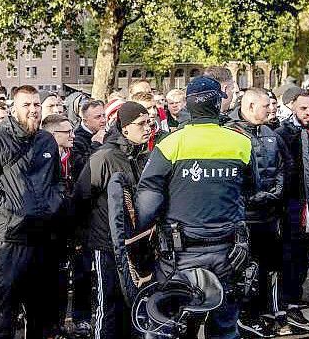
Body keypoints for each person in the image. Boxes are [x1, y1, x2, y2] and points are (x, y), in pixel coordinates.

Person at [135, 76, 257, 339]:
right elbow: (251, 189)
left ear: (189, 105)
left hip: (179, 254)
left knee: (173, 326)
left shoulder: (170, 144)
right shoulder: (241, 143)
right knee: (224, 327)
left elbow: (148, 201)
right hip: (229, 252)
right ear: (218, 103)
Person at [0, 85, 66, 339]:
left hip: (43, 239)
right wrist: (8, 205)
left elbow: (58, 181)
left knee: (40, 313)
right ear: (14, 108)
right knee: (3, 314)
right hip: (9, 239)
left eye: (36, 105)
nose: (33, 110)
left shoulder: (47, 140)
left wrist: (53, 203)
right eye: (26, 105)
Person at [74, 102, 151, 339]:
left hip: (134, 244)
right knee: (107, 305)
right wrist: (84, 239)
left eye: (150, 122)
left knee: (134, 305)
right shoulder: (104, 157)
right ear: (125, 128)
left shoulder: (144, 155)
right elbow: (81, 198)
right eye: (142, 124)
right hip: (105, 243)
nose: (148, 128)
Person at [227, 87, 290, 337]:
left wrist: (276, 192)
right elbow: (232, 177)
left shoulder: (270, 134)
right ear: (251, 106)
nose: (271, 110)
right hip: (243, 217)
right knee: (245, 269)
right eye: (266, 106)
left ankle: (271, 311)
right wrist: (251, 197)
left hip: (269, 214)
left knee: (271, 265)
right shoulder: (231, 132)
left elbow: (283, 167)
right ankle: (245, 315)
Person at [274, 91, 309, 328]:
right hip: (294, 202)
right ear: (294, 108)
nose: (308, 113)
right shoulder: (283, 133)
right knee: (292, 254)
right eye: (303, 108)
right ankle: (288, 304)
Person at [72, 99, 106, 181]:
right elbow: (81, 168)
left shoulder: (106, 133)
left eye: (104, 115)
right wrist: (95, 144)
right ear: (85, 121)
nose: (103, 120)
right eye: (98, 117)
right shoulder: (76, 140)